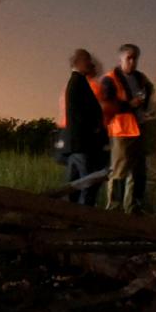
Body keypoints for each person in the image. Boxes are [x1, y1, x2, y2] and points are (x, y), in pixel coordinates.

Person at [98, 43, 154, 212]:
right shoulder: (110, 79)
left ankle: (132, 207)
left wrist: (146, 109)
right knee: (119, 171)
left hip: (138, 128)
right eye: (129, 58)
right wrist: (130, 105)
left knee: (137, 172)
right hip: (121, 131)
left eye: (135, 58)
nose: (133, 62)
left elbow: (150, 91)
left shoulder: (140, 78)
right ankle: (114, 207)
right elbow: (108, 104)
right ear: (121, 58)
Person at [60, 49, 108, 206]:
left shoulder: (76, 82)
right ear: (79, 62)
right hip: (83, 143)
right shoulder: (78, 82)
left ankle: (69, 216)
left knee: (74, 183)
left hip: (76, 143)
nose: (90, 64)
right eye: (87, 60)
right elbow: (81, 113)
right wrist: (95, 128)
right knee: (87, 182)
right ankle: (83, 217)